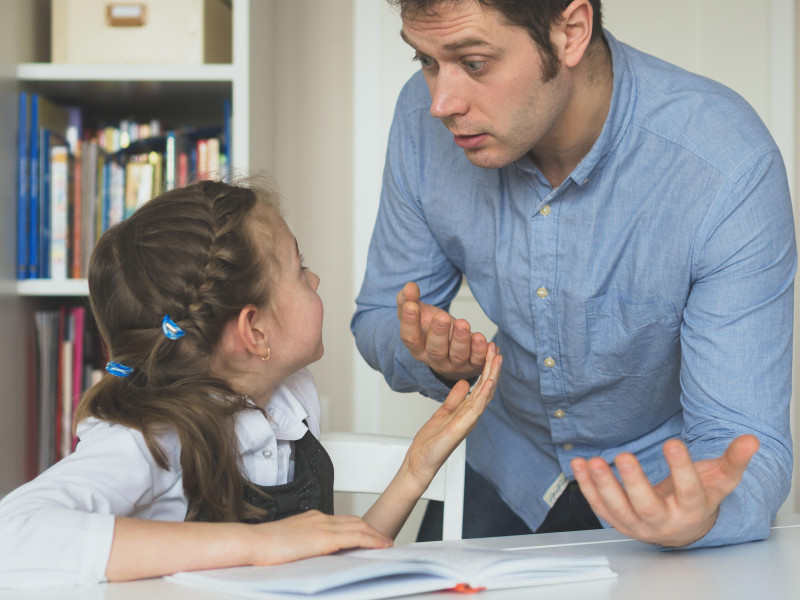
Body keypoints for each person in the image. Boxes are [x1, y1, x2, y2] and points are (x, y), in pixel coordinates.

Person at [351, 0, 795, 549]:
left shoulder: (724, 166)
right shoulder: (422, 119)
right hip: (506, 466)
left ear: (571, 32)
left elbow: (744, 441)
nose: (442, 102)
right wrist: (433, 359)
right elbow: (376, 317)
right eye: (425, 60)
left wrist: (704, 515)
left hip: (658, 487)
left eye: (475, 62)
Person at [0, 180, 502, 588]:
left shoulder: (289, 401)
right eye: (299, 269)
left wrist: (415, 470)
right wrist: (259, 544)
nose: (316, 280)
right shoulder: (150, 436)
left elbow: (323, 568)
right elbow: (14, 535)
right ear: (254, 330)